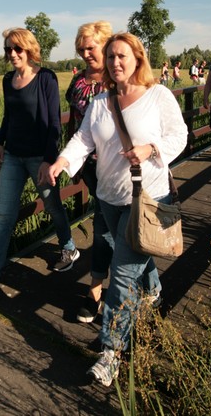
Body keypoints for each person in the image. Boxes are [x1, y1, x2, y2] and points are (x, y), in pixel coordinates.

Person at [47, 32, 188, 387]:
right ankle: (153, 288)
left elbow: (179, 136)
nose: (114, 62)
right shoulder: (100, 101)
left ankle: (110, 353)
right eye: (110, 57)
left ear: (138, 58)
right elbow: (84, 139)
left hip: (148, 197)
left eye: (121, 55)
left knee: (122, 274)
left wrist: (150, 149)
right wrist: (62, 161)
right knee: (136, 253)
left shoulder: (158, 96)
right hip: (109, 197)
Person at [0, 28, 79, 302]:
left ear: (29, 49)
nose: (12, 54)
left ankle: (69, 247)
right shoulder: (7, 80)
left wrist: (49, 160)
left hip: (40, 158)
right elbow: (9, 116)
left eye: (17, 49)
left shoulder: (46, 78)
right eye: (8, 49)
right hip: (13, 156)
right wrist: (0, 142)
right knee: (4, 218)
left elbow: (54, 123)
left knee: (52, 205)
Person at [65, 22, 162, 325]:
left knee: (108, 232)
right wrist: (70, 161)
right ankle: (148, 284)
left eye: (91, 48)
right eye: (81, 49)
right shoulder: (78, 82)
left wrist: (151, 149)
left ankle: (97, 294)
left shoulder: (118, 83)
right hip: (92, 168)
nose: (85, 54)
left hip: (121, 167)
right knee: (118, 230)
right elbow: (76, 126)